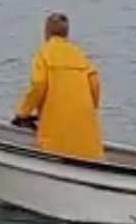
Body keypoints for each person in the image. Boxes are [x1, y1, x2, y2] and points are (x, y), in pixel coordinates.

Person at [12, 13, 104, 160]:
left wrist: (23, 113)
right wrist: (90, 107)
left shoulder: (44, 53)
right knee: (88, 153)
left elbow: (39, 84)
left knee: (54, 150)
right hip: (85, 129)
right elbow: (95, 83)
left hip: (56, 132)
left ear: (46, 32)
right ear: (67, 33)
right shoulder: (79, 54)